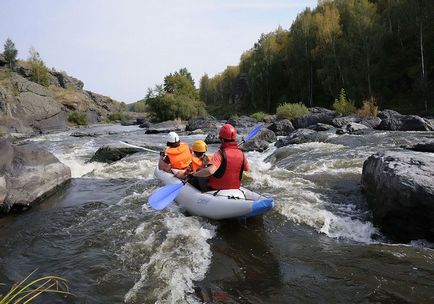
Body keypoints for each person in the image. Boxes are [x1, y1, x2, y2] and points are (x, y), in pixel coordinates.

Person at [191, 124, 249, 190]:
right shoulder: (242, 154)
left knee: (199, 171)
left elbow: (210, 171)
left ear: (222, 140)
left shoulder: (220, 153)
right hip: (235, 187)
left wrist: (195, 174)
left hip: (217, 188)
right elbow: (246, 169)